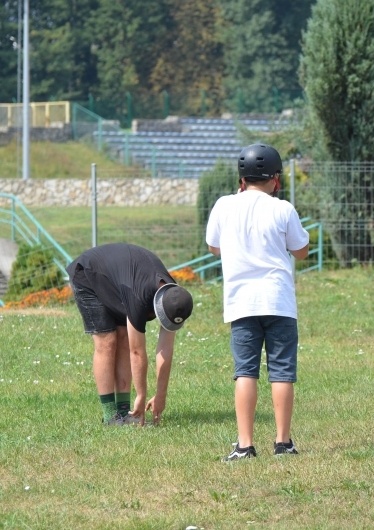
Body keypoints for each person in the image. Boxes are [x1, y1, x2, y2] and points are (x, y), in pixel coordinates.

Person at [206, 143, 309, 461]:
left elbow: (213, 247)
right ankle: (283, 443)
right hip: (278, 301)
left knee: (245, 371)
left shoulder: (224, 206)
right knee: (281, 371)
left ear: (241, 179)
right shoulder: (283, 209)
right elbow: (302, 250)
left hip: (241, 303)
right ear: (275, 179)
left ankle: (244, 445)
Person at [67, 243, 194, 426]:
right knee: (107, 341)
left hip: (119, 280)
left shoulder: (174, 297)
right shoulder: (139, 297)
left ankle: (125, 413)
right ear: (157, 306)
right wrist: (141, 395)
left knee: (125, 337)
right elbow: (137, 353)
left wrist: (160, 395)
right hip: (89, 274)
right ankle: (110, 416)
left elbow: (165, 350)